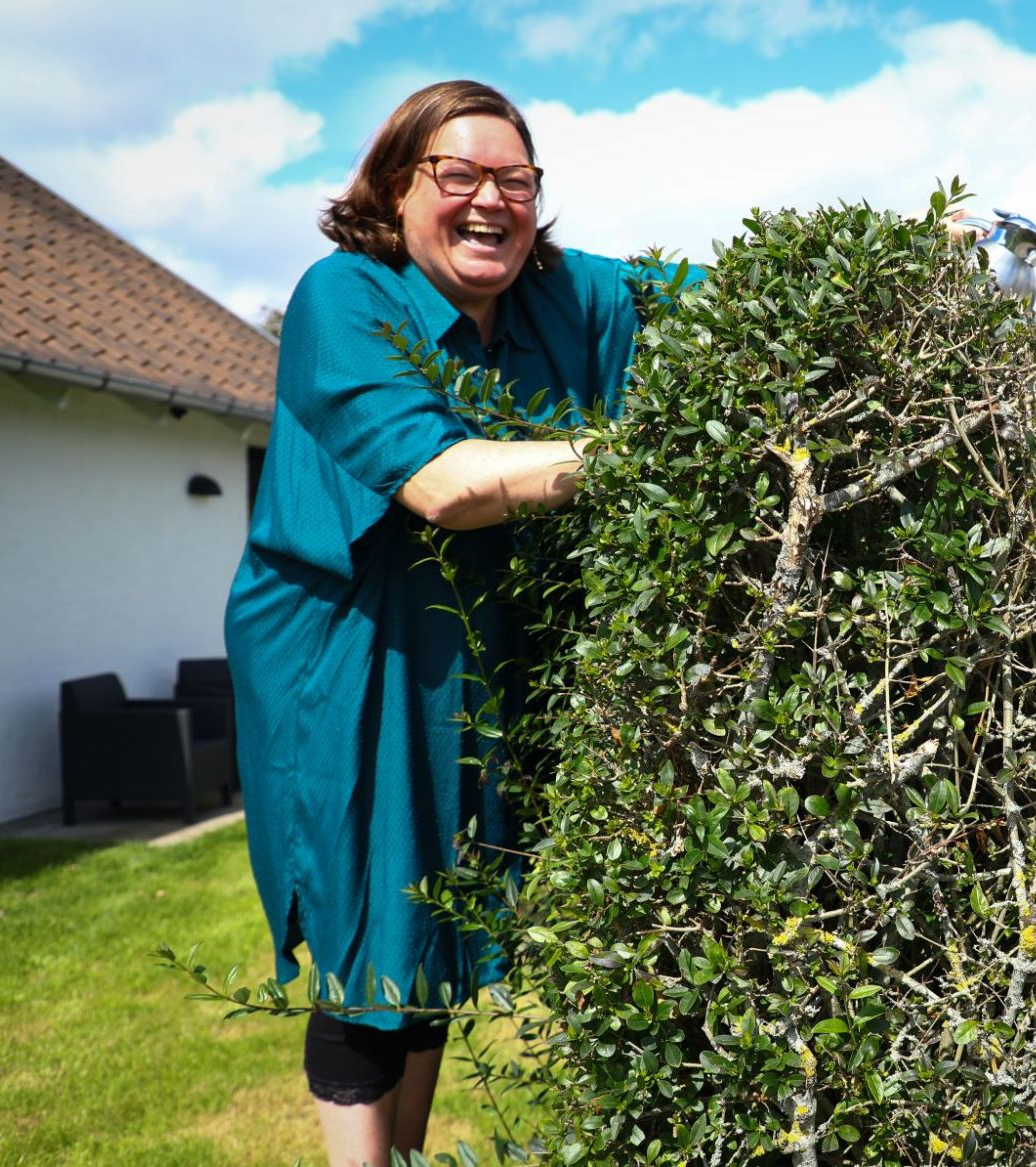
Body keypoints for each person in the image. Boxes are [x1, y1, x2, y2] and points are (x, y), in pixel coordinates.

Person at [225, 80, 656, 1166]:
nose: (488, 202)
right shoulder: (346, 296)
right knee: (375, 933)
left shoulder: (561, 295)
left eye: (514, 179)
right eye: (454, 175)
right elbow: (444, 484)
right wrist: (661, 457)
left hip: (473, 650)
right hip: (349, 655)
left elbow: (728, 294)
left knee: (437, 928)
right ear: (393, 189)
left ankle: (404, 1154)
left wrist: (917, 258)